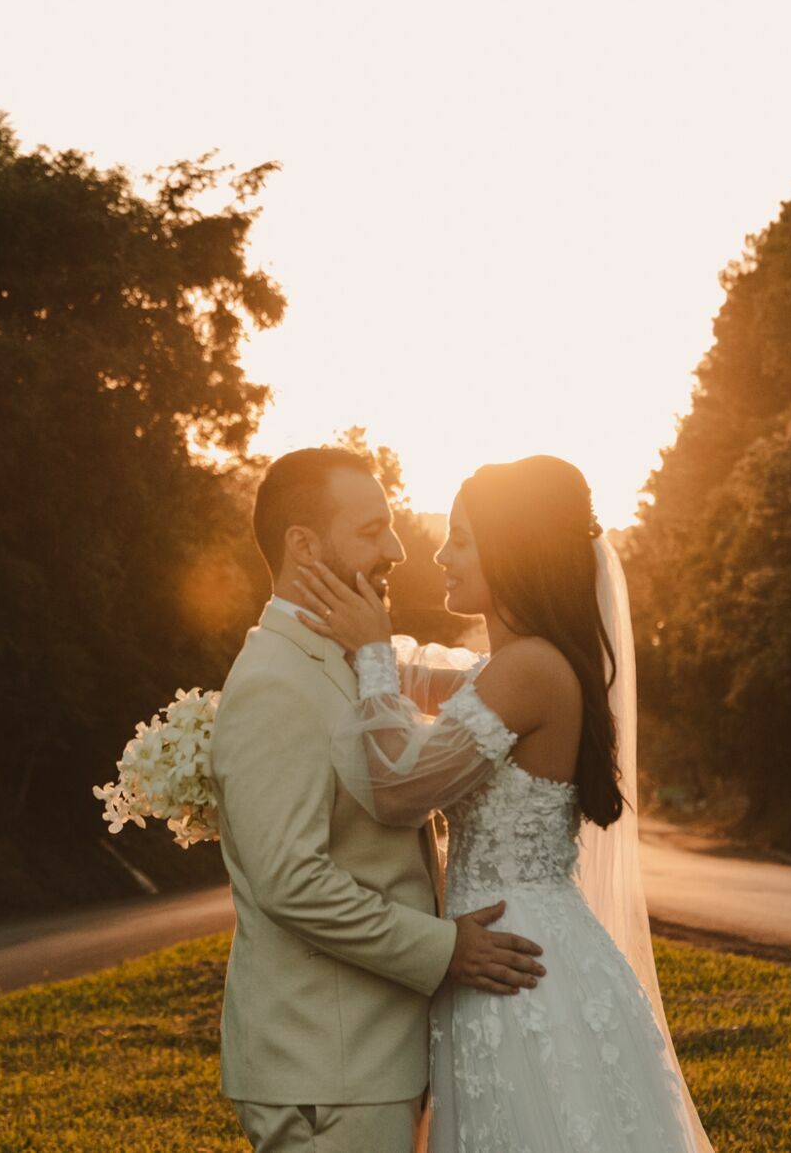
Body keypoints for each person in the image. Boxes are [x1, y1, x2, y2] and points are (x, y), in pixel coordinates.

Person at [294, 454, 713, 1152]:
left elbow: (399, 791)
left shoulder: (530, 671)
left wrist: (370, 653)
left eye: (461, 538)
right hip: (505, 945)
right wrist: (339, 639)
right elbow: (427, 678)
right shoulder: (511, 668)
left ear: (512, 549)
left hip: (517, 964)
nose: (440, 554)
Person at [208, 446, 547, 1153]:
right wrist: (445, 949)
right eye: (372, 531)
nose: (397, 549)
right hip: (326, 1068)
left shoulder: (344, 654)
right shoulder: (276, 681)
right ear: (304, 546)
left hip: (367, 1058)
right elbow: (290, 882)